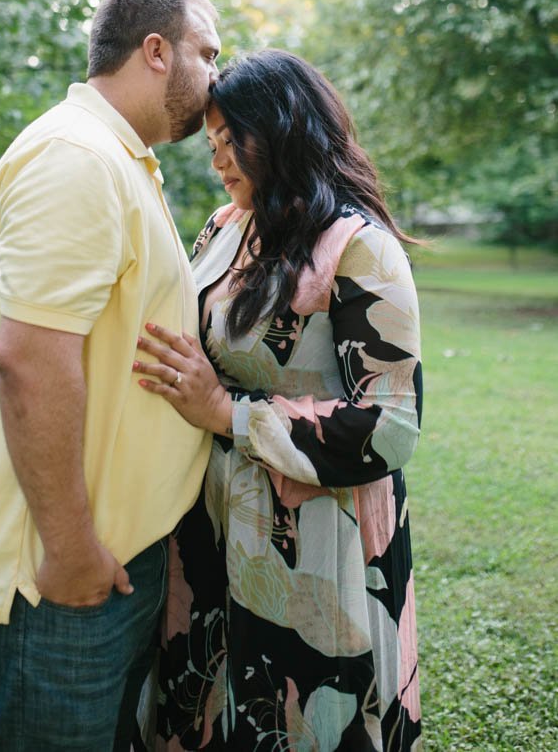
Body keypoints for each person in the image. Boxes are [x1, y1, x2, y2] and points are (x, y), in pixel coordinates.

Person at [0, 0, 222, 751]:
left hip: (103, 577)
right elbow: (29, 361)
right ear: (155, 51)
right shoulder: (76, 158)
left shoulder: (118, 159)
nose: (217, 77)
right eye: (207, 53)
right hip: (50, 593)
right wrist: (70, 549)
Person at [133, 49, 423, 751]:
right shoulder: (223, 227)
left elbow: (389, 426)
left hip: (317, 539)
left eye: (235, 139)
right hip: (208, 520)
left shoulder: (360, 247)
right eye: (212, 144)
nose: (219, 159)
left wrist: (228, 415)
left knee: (301, 718)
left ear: (288, 128)